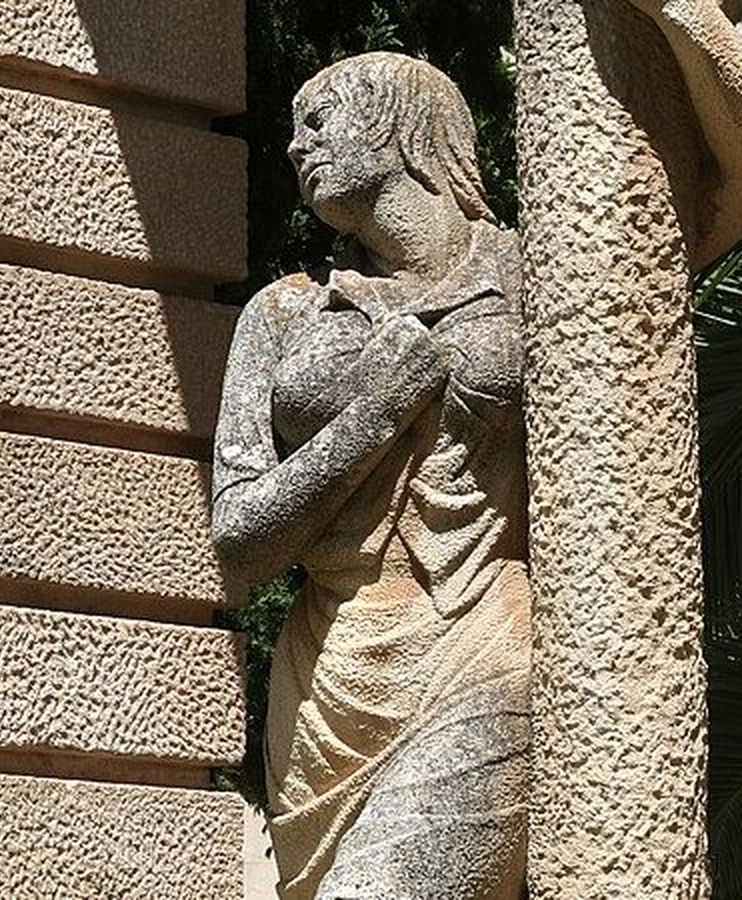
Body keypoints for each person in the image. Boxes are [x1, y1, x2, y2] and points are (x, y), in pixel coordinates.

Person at [211, 52, 530, 900]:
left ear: (403, 122)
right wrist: (375, 417)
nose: (293, 146)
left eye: (320, 118)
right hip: (327, 684)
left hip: (481, 644)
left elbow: (726, 194)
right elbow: (240, 542)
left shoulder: (529, 279)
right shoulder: (284, 312)